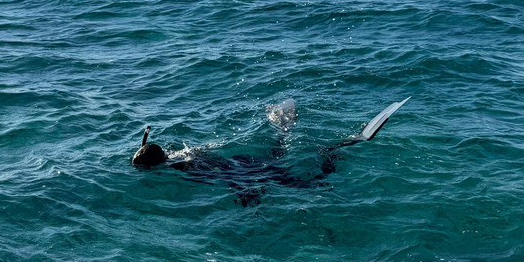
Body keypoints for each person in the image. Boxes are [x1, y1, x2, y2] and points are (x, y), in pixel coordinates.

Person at [131, 97, 408, 205]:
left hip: (241, 173)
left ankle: (335, 152)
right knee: (277, 158)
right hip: (239, 163)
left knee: (310, 186)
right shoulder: (181, 153)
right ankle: (283, 128)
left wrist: (245, 192)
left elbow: (216, 175)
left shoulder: (176, 165)